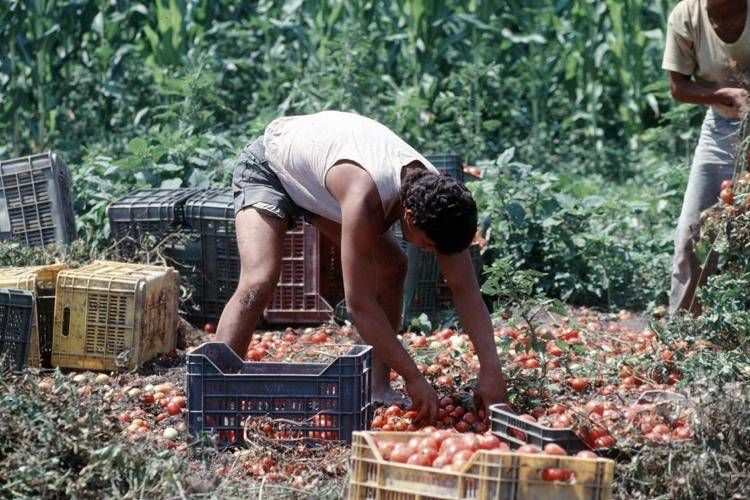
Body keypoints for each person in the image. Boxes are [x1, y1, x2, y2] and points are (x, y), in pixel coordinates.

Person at [217, 110, 508, 423]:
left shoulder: (438, 200)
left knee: (393, 266)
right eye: (428, 245)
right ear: (409, 218)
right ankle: (213, 389)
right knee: (259, 279)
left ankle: (376, 387)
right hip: (270, 167)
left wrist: (492, 370)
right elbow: (359, 305)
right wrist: (413, 376)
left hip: (316, 179)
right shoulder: (365, 197)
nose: (431, 253)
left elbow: (465, 290)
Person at [663, 0, 750, 315]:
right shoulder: (687, 15)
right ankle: (685, 336)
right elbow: (678, 87)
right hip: (722, 125)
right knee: (693, 234)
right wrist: (721, 96)